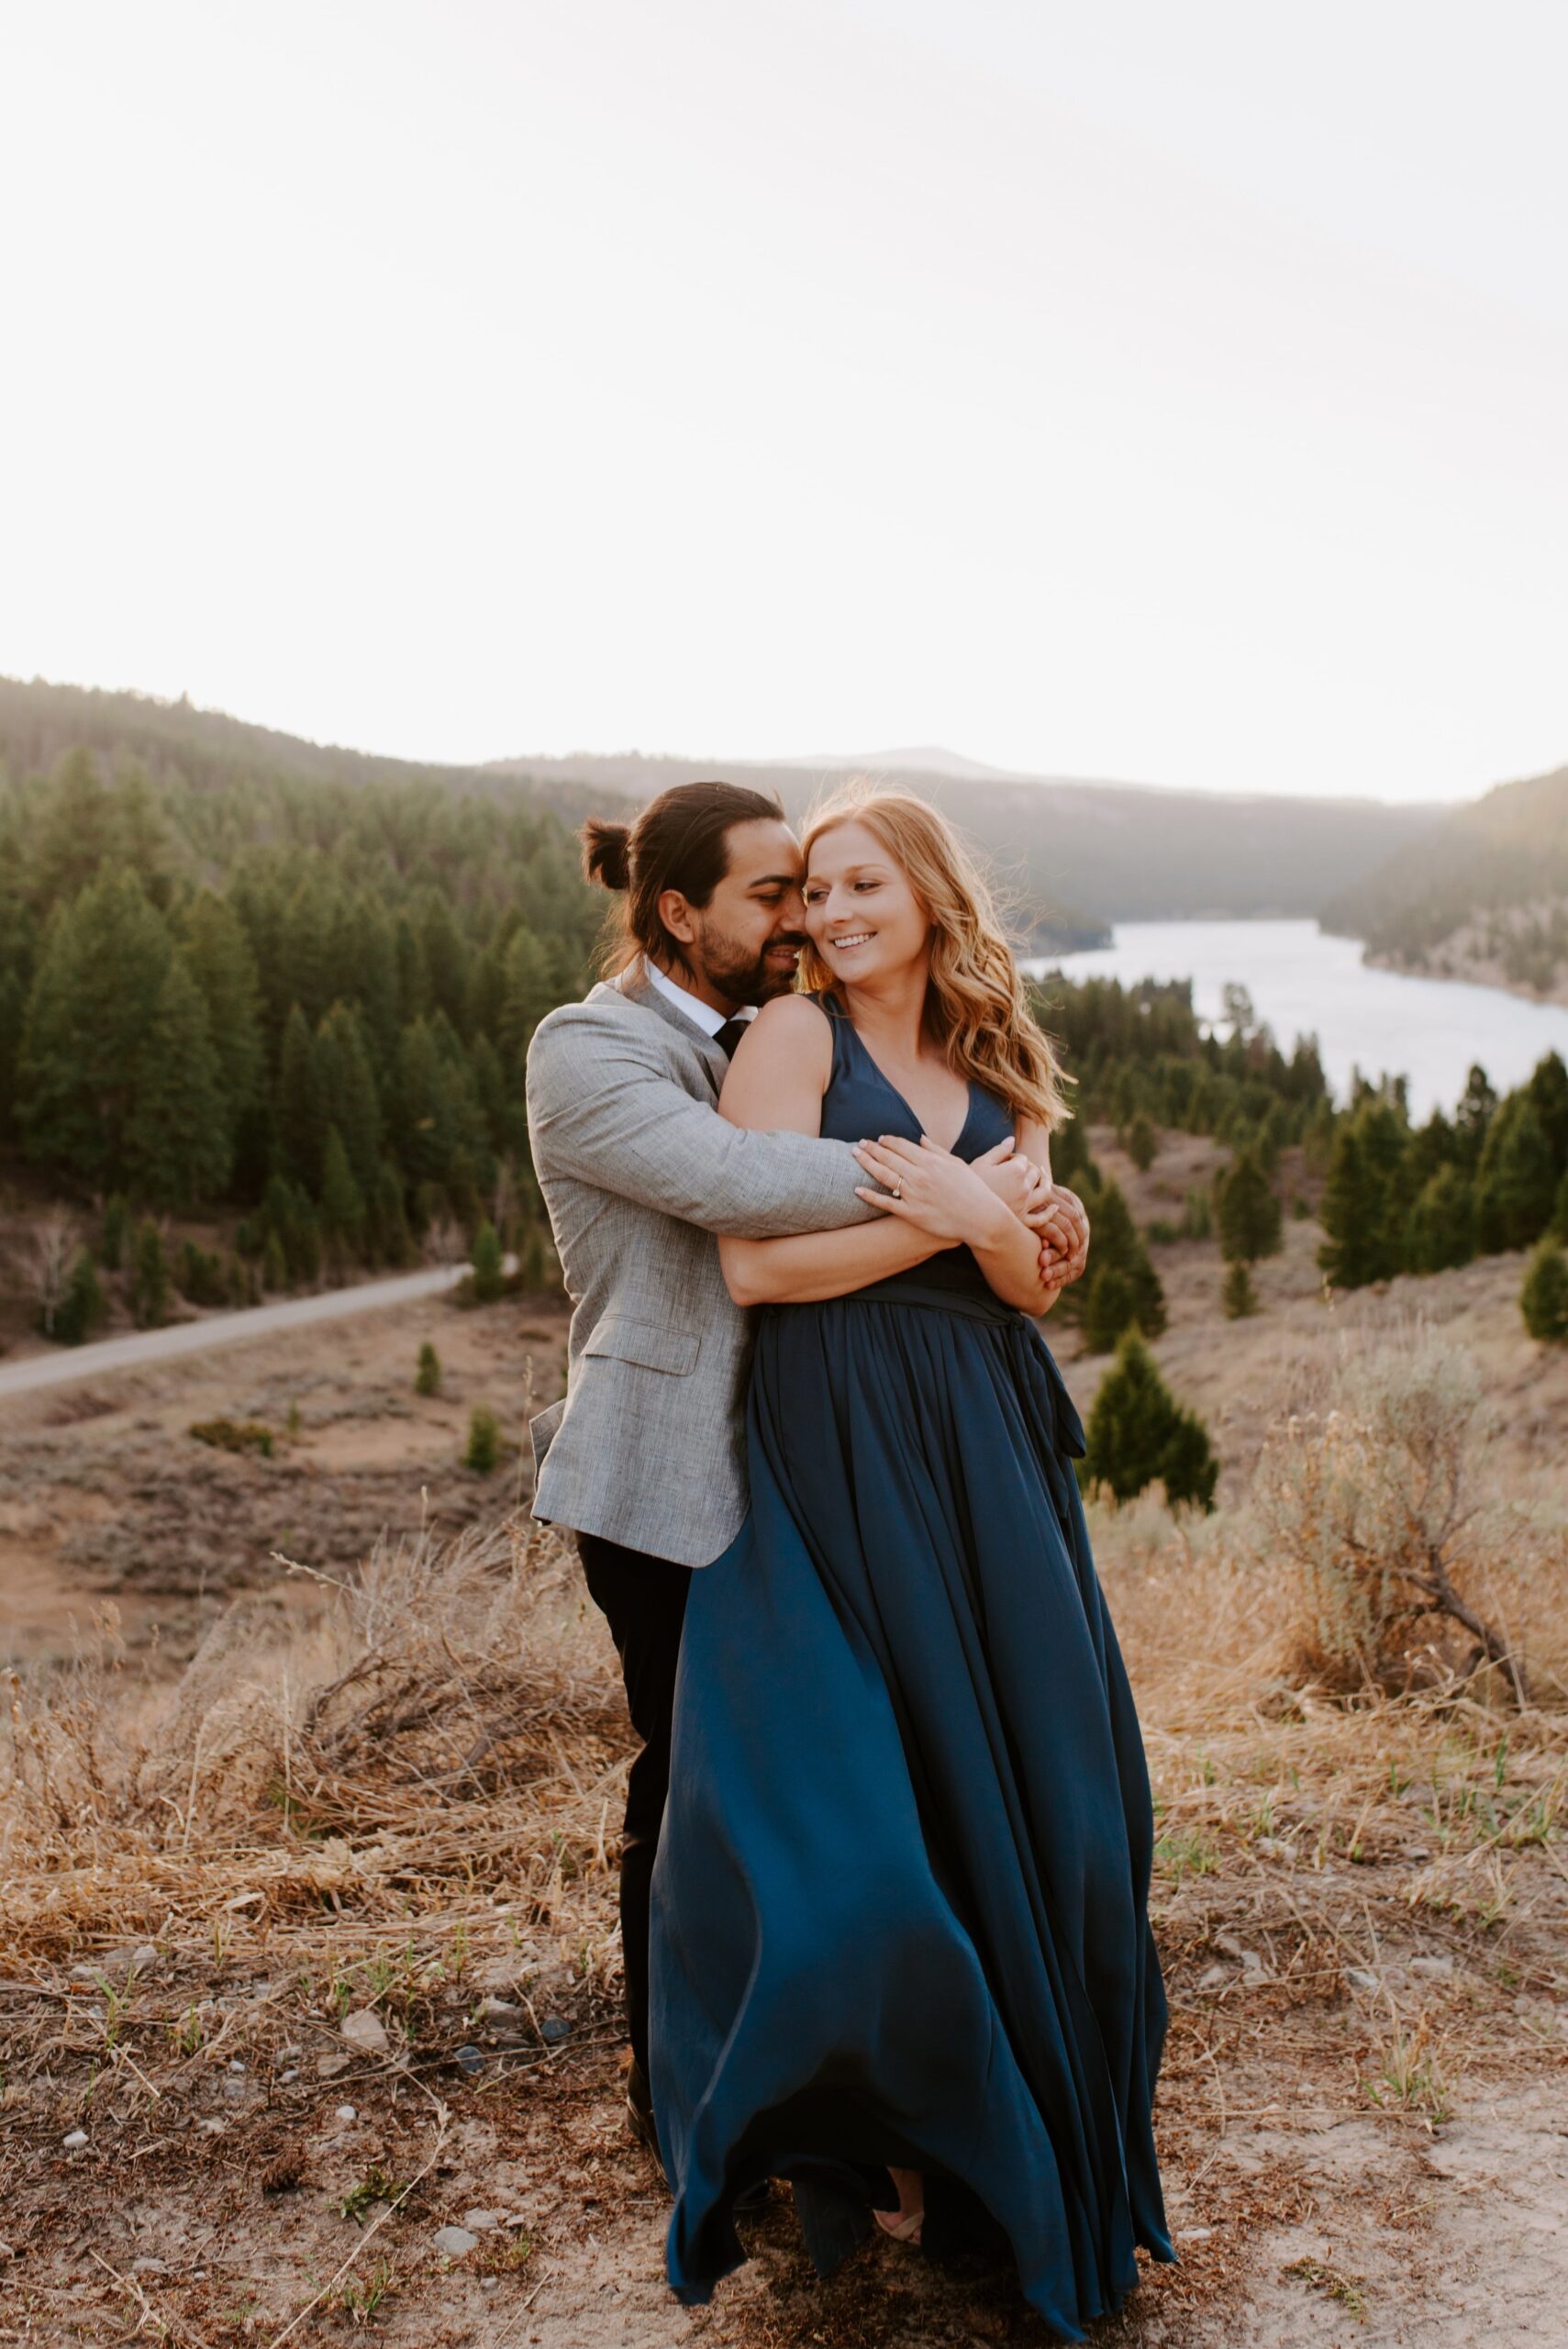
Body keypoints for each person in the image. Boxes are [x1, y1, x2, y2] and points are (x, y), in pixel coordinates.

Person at [647, 785, 1173, 2340]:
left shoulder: (1008, 1063)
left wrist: (986, 1225)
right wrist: (950, 1215)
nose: (832, 911)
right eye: (813, 890)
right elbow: (752, 1262)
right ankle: (873, 2135)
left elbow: (1029, 1293)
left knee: (1051, 1800)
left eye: (863, 882)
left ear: (930, 893)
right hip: (835, 1451)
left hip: (988, 1456)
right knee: (853, 1832)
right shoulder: (794, 1044)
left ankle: (996, 2167)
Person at [524, 780, 1091, 2157]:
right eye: (774, 895)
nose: (803, 920)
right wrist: (975, 1195)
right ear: (679, 912)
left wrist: (1015, 1195)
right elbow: (736, 1189)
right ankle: (680, 2100)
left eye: (823, 889)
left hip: (831, 1460)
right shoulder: (588, 1051)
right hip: (669, 1472)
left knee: (859, 1783)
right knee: (698, 1786)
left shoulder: (794, 1031)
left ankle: (866, 2093)